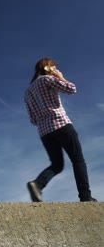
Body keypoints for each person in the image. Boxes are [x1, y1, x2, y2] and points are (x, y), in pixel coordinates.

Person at [24, 58, 97, 202]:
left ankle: (38, 184)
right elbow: (71, 89)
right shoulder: (46, 79)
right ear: (47, 68)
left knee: (57, 165)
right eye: (53, 67)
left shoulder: (27, 92)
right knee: (78, 160)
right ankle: (85, 197)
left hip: (44, 132)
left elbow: (33, 119)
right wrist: (60, 77)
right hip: (61, 124)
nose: (55, 69)